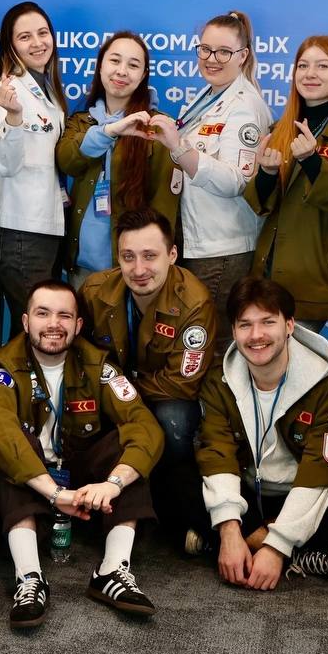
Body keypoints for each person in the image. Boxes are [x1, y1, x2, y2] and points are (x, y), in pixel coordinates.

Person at [0, 281, 164, 628]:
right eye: (43, 313)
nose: (54, 324)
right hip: (35, 483)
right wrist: (54, 493)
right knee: (12, 450)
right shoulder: (1, 368)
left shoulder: (98, 364)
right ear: (25, 322)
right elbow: (3, 434)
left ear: (78, 325)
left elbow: (145, 426)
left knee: (128, 451)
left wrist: (113, 483)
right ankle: (29, 578)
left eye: (64, 315)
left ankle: (112, 570)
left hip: (83, 482)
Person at [189, 277, 328, 589]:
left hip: (296, 492)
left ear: (289, 326)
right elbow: (217, 454)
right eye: (245, 325)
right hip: (246, 491)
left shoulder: (327, 386)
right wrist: (229, 528)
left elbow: (319, 470)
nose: (256, 335)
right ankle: (295, 555)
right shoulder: (219, 381)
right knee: (174, 481)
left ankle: (229, 546)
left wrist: (276, 546)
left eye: (268, 322)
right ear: (234, 331)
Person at [77, 209, 216, 539]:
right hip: (112, 392)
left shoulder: (195, 304)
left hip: (165, 396)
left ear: (172, 254)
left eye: (150, 256)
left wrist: (123, 391)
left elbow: (182, 383)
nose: (138, 270)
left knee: (173, 423)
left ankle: (160, 498)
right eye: (128, 257)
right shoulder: (95, 291)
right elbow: (78, 355)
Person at [149, 11, 272, 349]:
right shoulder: (208, 95)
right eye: (205, 49)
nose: (211, 59)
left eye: (223, 52)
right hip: (198, 241)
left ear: (243, 55)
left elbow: (236, 181)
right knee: (195, 344)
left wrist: (179, 148)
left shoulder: (244, 106)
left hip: (223, 250)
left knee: (211, 347)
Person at [248, 35, 328, 330]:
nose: (310, 74)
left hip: (315, 276)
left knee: (298, 355)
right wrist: (267, 172)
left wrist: (312, 161)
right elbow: (260, 204)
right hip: (270, 270)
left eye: (322, 66)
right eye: (303, 66)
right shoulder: (280, 128)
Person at [57, 32, 179, 288]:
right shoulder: (81, 120)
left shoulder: (156, 127)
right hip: (81, 266)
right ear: (100, 66)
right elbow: (66, 160)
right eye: (114, 61)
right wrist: (109, 131)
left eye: (133, 65)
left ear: (143, 75)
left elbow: (164, 206)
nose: (122, 71)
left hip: (132, 269)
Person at [0, 2, 67, 343]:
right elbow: (5, 163)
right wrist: (15, 118)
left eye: (43, 33)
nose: (37, 43)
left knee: (37, 331)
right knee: (36, 333)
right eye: (25, 37)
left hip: (44, 229)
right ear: (10, 46)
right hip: (20, 233)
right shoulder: (8, 92)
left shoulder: (47, 89)